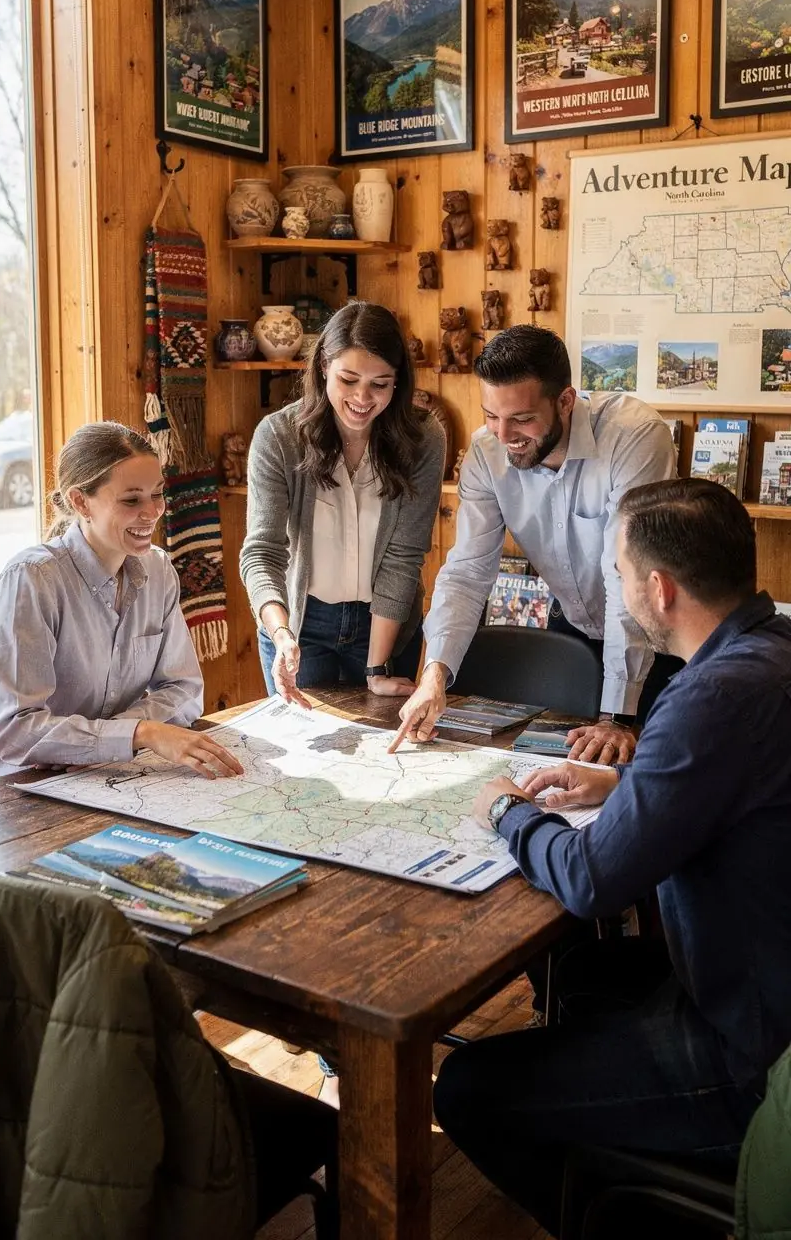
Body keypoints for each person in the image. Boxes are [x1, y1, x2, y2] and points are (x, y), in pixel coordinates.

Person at [433, 479, 791, 1239]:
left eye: (619, 574)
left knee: (465, 1088)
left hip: (748, 1053)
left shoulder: (709, 698)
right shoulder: (772, 652)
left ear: (658, 590)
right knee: (591, 976)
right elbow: (738, 784)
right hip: (763, 987)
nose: (617, 588)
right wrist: (623, 779)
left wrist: (508, 812)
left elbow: (592, 880)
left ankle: (609, 1215)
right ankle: (599, 1172)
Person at [391, 325, 678, 762]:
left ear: (565, 400)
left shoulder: (634, 436)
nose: (503, 435)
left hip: (658, 633)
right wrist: (434, 674)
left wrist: (617, 718)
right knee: (566, 772)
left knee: (651, 774)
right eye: (491, 415)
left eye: (522, 418)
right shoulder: (487, 453)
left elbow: (625, 577)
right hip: (574, 626)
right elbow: (467, 571)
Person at [0, 421, 240, 782]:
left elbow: (184, 689)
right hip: (12, 789)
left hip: (101, 776)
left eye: (158, 493)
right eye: (131, 499)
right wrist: (140, 733)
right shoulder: (31, 580)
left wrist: (107, 741)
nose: (152, 512)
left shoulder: (159, 570)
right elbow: (14, 731)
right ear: (80, 501)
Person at [241, 301, 445, 708]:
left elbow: (403, 557)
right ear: (322, 368)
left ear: (398, 382)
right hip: (300, 623)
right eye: (348, 379)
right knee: (303, 753)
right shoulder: (278, 436)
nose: (362, 398)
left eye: (380, 384)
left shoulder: (423, 439)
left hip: (386, 624)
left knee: (384, 753)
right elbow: (262, 552)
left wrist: (376, 668)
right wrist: (282, 636)